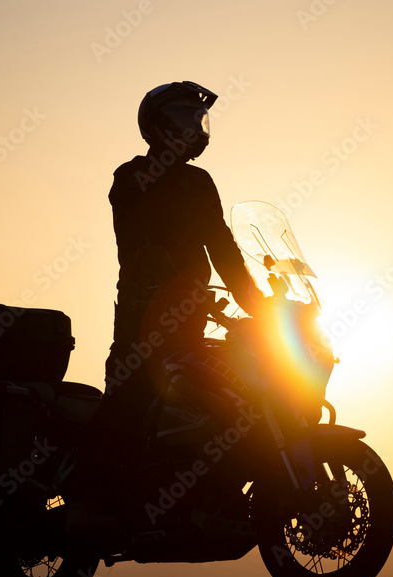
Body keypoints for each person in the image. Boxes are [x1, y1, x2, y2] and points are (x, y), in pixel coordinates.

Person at [65, 81, 264, 537]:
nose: (196, 127)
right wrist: (172, 280)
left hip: (192, 315)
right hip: (142, 315)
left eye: (199, 119)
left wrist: (260, 304)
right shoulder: (132, 178)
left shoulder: (199, 182)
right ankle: (86, 501)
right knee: (131, 393)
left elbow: (222, 247)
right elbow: (140, 246)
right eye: (184, 118)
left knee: (220, 390)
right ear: (156, 127)